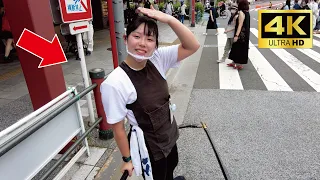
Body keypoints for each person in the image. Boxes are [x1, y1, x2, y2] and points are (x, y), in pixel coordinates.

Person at [100, 5, 200, 180]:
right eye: (136, 36)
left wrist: (168, 19)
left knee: (171, 167)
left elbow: (193, 45)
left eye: (149, 39)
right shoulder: (115, 82)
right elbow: (118, 129)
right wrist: (127, 159)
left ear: (155, 45)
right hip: (149, 147)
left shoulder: (158, 58)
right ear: (126, 38)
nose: (142, 43)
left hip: (169, 135)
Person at [228, 0, 250, 70]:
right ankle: (235, 62)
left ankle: (238, 64)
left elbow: (240, 25)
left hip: (240, 34)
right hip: (245, 34)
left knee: (237, 47)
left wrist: (236, 35)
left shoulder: (241, 12)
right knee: (241, 48)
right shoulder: (247, 13)